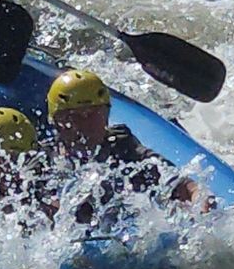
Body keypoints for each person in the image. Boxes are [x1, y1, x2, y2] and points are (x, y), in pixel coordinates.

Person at [43, 68, 208, 218]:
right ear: (57, 122)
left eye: (93, 114)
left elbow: (175, 181)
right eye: (74, 116)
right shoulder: (46, 160)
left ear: (106, 114)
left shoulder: (121, 145)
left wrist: (197, 196)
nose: (86, 124)